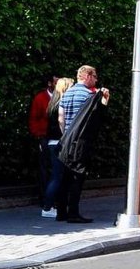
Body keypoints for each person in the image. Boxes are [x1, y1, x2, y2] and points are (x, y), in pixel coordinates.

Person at [56, 65, 111, 223]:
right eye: (94, 76)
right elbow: (98, 118)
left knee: (64, 178)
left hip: (65, 142)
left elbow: (61, 118)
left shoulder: (66, 94)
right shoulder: (89, 95)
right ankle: (73, 213)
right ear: (87, 76)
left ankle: (61, 212)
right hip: (80, 143)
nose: (96, 80)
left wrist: (66, 135)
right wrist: (105, 100)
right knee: (77, 178)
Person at [41, 77, 74, 218]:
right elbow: (61, 122)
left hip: (51, 142)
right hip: (58, 142)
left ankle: (51, 206)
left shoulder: (52, 104)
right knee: (57, 177)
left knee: (56, 176)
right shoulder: (61, 104)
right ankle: (47, 207)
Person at [27, 73, 56, 206]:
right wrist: (38, 135)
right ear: (49, 83)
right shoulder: (40, 98)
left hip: (56, 136)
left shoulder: (60, 97)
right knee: (44, 167)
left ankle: (53, 196)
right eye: (55, 82)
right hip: (44, 136)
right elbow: (34, 118)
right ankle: (45, 197)